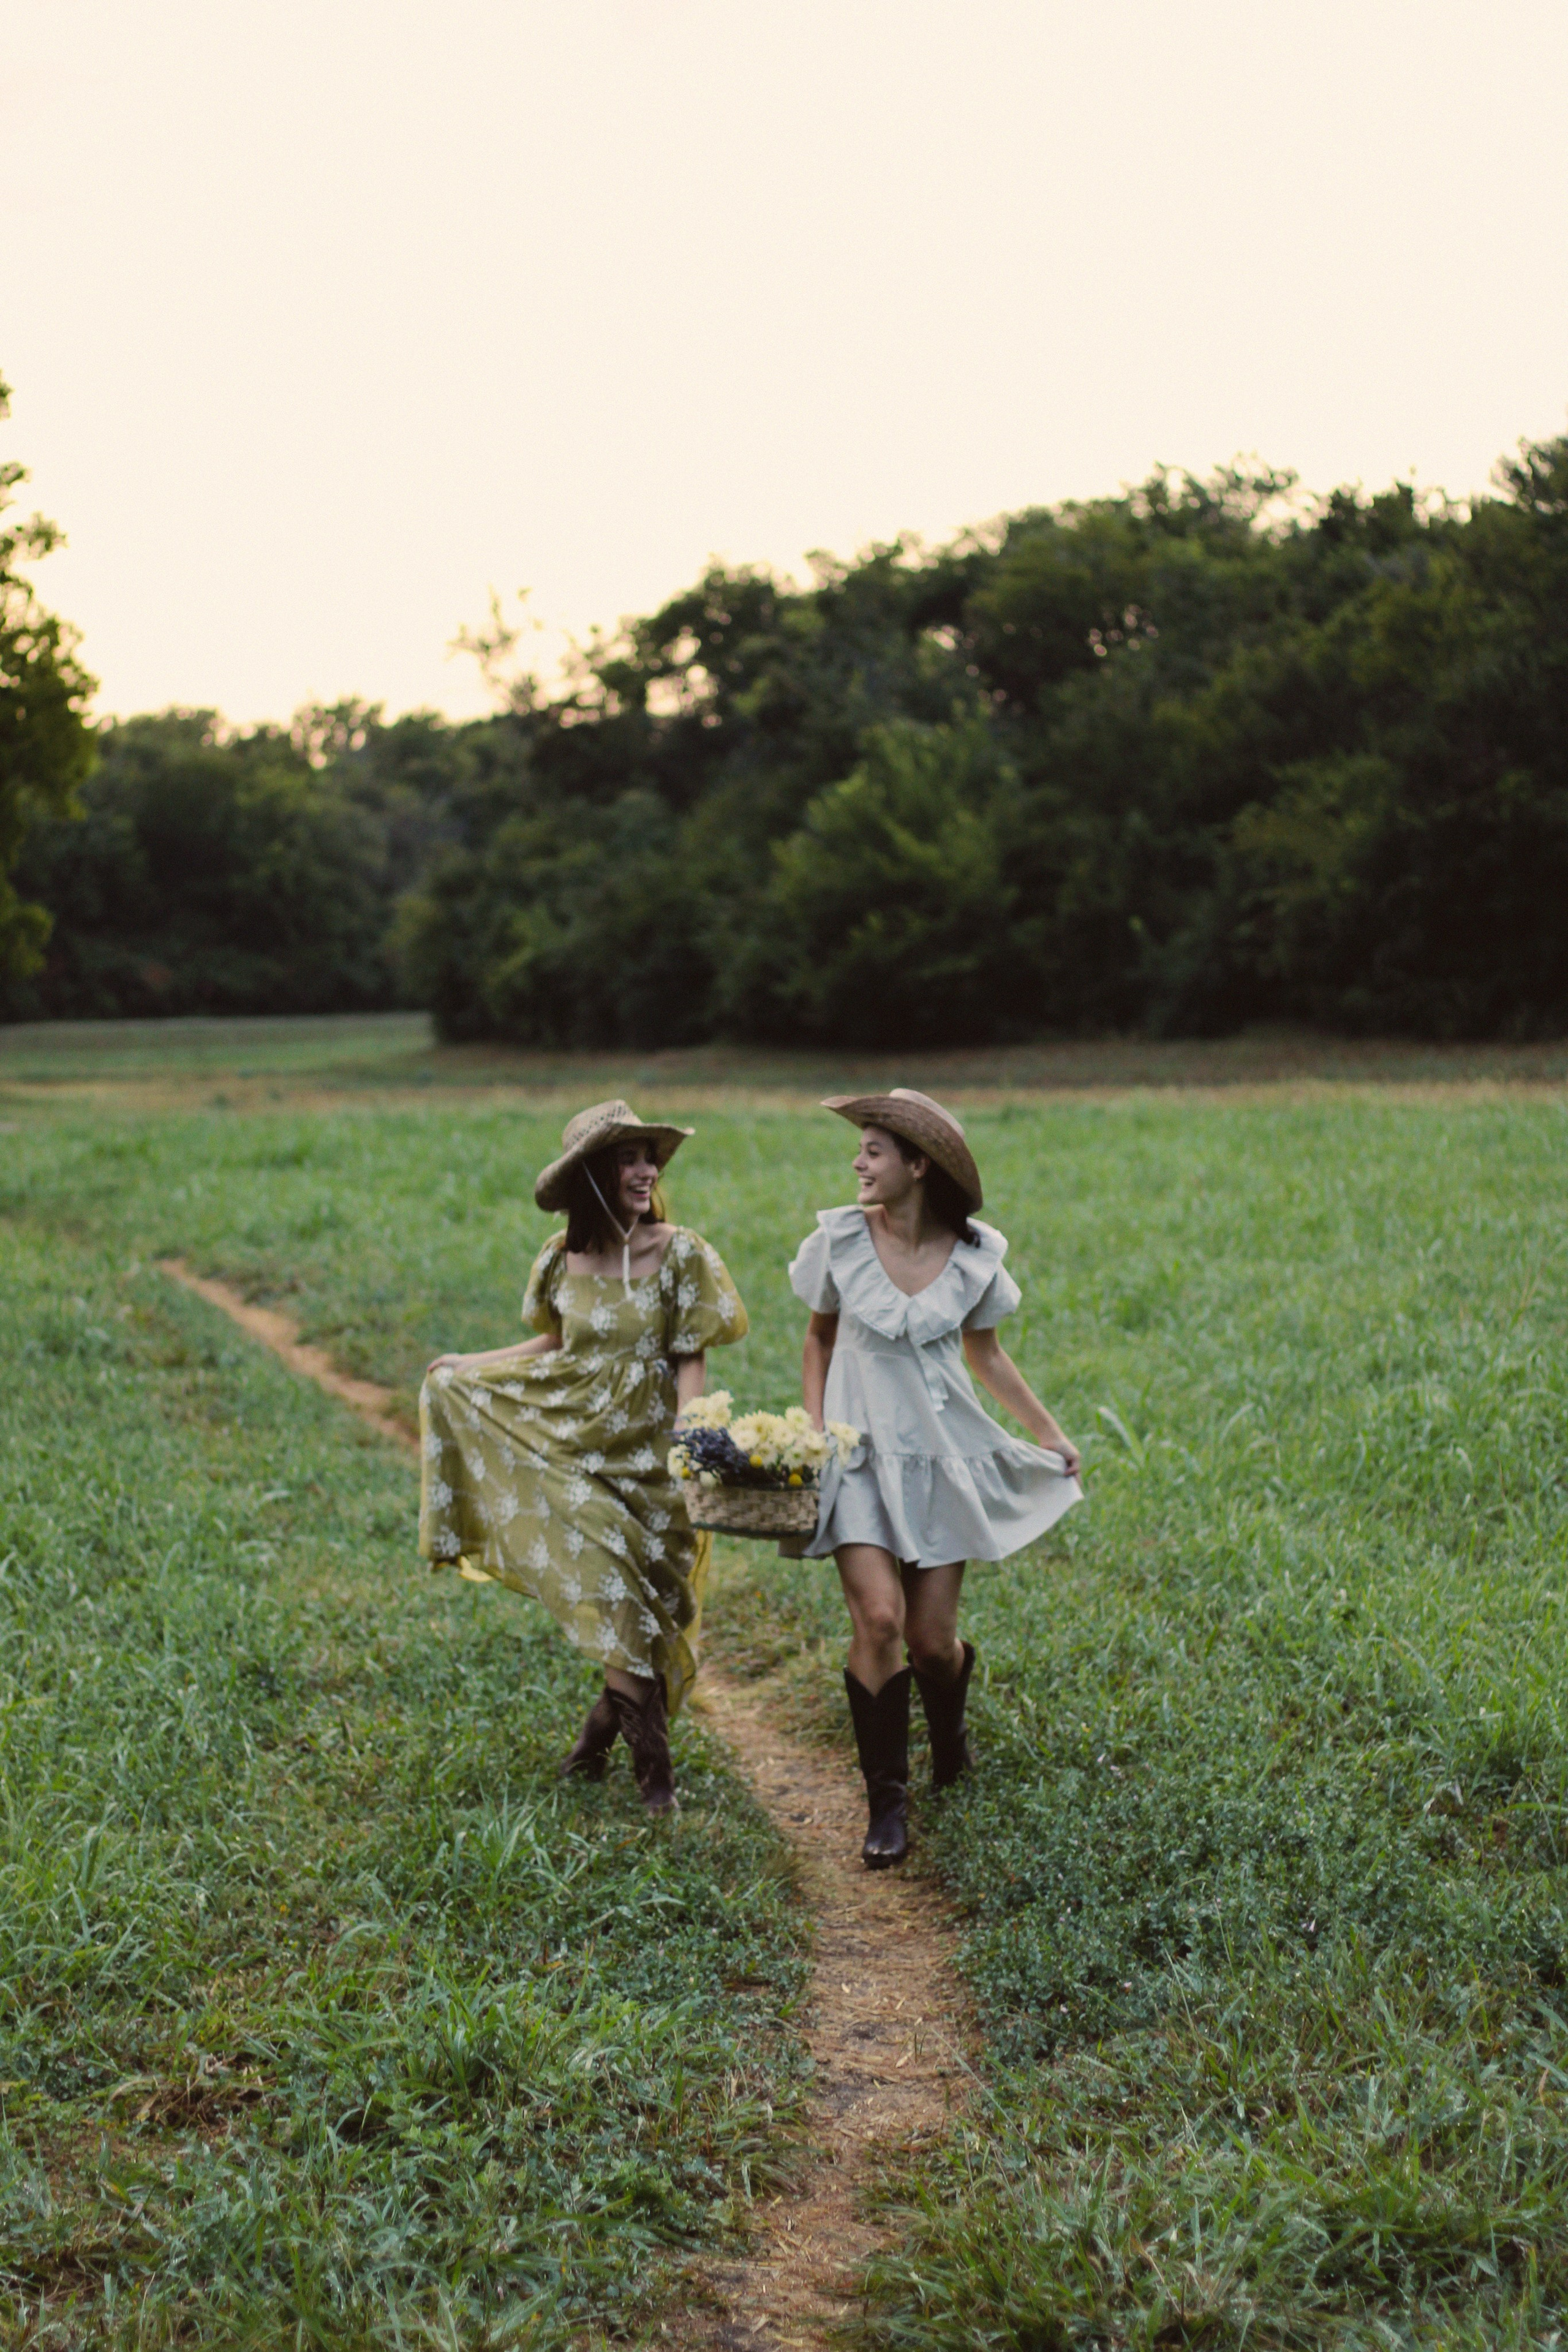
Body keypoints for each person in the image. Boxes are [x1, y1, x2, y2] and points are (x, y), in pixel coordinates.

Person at [419, 1099, 747, 1815]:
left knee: (656, 1610)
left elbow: (690, 1355)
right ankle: (656, 1780)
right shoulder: (559, 1257)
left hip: (652, 1459)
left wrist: (690, 1433)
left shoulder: (682, 1253)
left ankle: (595, 1739)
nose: (646, 1171)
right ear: (594, 1174)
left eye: (649, 1158)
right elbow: (555, 1345)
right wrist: (470, 1366)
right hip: (576, 1451)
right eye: (628, 1159)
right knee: (614, 1601)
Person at [790, 1090, 1082, 1868]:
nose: (857, 1162)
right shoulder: (839, 1240)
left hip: (939, 1456)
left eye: (874, 1151)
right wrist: (813, 1428)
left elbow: (987, 1355)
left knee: (930, 1644)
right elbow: (819, 1340)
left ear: (918, 1166)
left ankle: (949, 1736)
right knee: (879, 1620)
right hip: (855, 1455)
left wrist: (1049, 1434)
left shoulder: (972, 1255)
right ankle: (886, 1804)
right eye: (860, 1149)